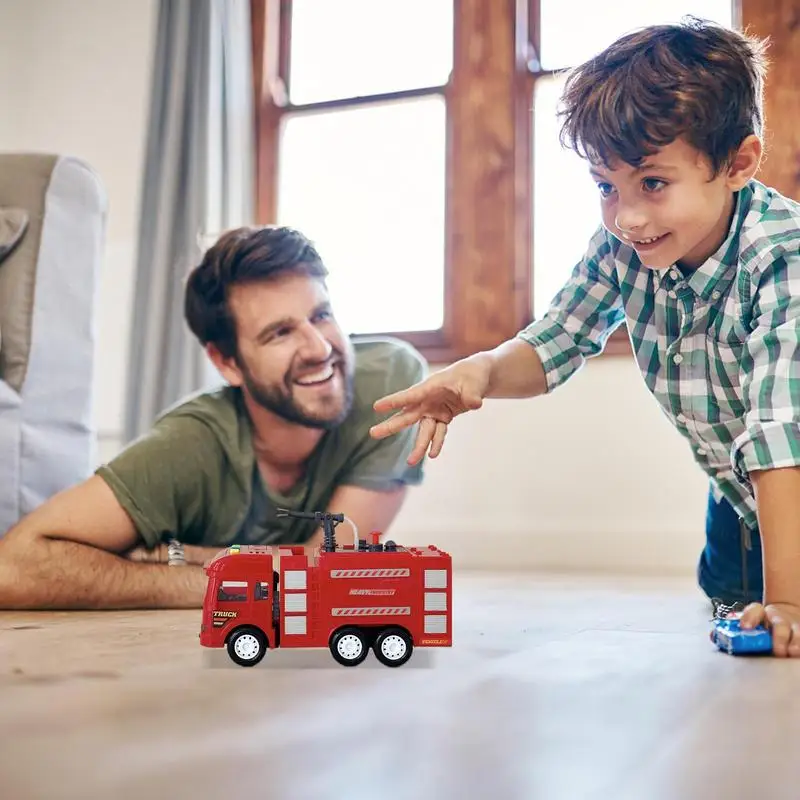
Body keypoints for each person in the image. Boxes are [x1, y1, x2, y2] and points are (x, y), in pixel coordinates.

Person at [369, 18, 800, 657]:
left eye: (653, 183)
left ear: (738, 162)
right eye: (606, 187)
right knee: (732, 610)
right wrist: (480, 372)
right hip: (742, 496)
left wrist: (789, 600)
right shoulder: (624, 247)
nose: (626, 217)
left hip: (785, 467)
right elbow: (557, 341)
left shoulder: (781, 256)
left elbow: (780, 433)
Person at [0, 226, 427, 609]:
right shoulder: (187, 447)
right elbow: (13, 567)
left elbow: (333, 568)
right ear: (227, 363)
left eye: (321, 315)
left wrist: (183, 556)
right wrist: (211, 583)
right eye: (280, 332)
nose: (319, 348)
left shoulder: (390, 386)